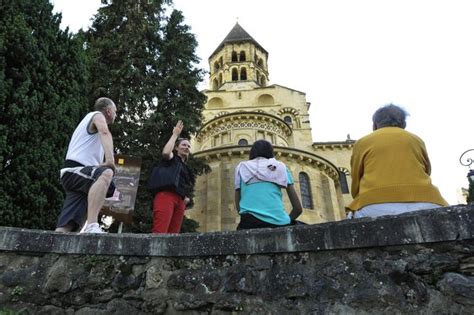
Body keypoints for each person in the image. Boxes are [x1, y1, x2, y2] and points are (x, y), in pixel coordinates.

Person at [348, 104, 448, 218]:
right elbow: (427, 170)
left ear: (374, 125)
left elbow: (356, 177)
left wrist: (361, 198)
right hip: (427, 201)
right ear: (404, 124)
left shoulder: (362, 142)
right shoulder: (416, 140)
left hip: (376, 204)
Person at [55, 97, 117, 233]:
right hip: (75, 169)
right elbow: (105, 132)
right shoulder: (97, 115)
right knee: (106, 173)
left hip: (80, 177)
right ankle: (92, 225)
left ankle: (53, 250)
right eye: (115, 111)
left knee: (67, 226)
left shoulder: (88, 123)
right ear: (108, 111)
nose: (116, 114)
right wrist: (110, 161)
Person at [234, 140, 303, 229]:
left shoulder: (241, 167)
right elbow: (298, 209)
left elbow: (239, 207)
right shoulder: (281, 167)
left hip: (248, 222)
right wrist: (286, 222)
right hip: (279, 223)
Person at [152, 120, 194, 234]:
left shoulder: (186, 168)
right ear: (176, 148)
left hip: (180, 201)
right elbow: (166, 152)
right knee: (160, 231)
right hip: (166, 196)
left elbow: (186, 185)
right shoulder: (172, 159)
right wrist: (175, 134)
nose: (186, 147)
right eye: (184, 145)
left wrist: (187, 198)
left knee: (173, 235)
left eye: (189, 146)